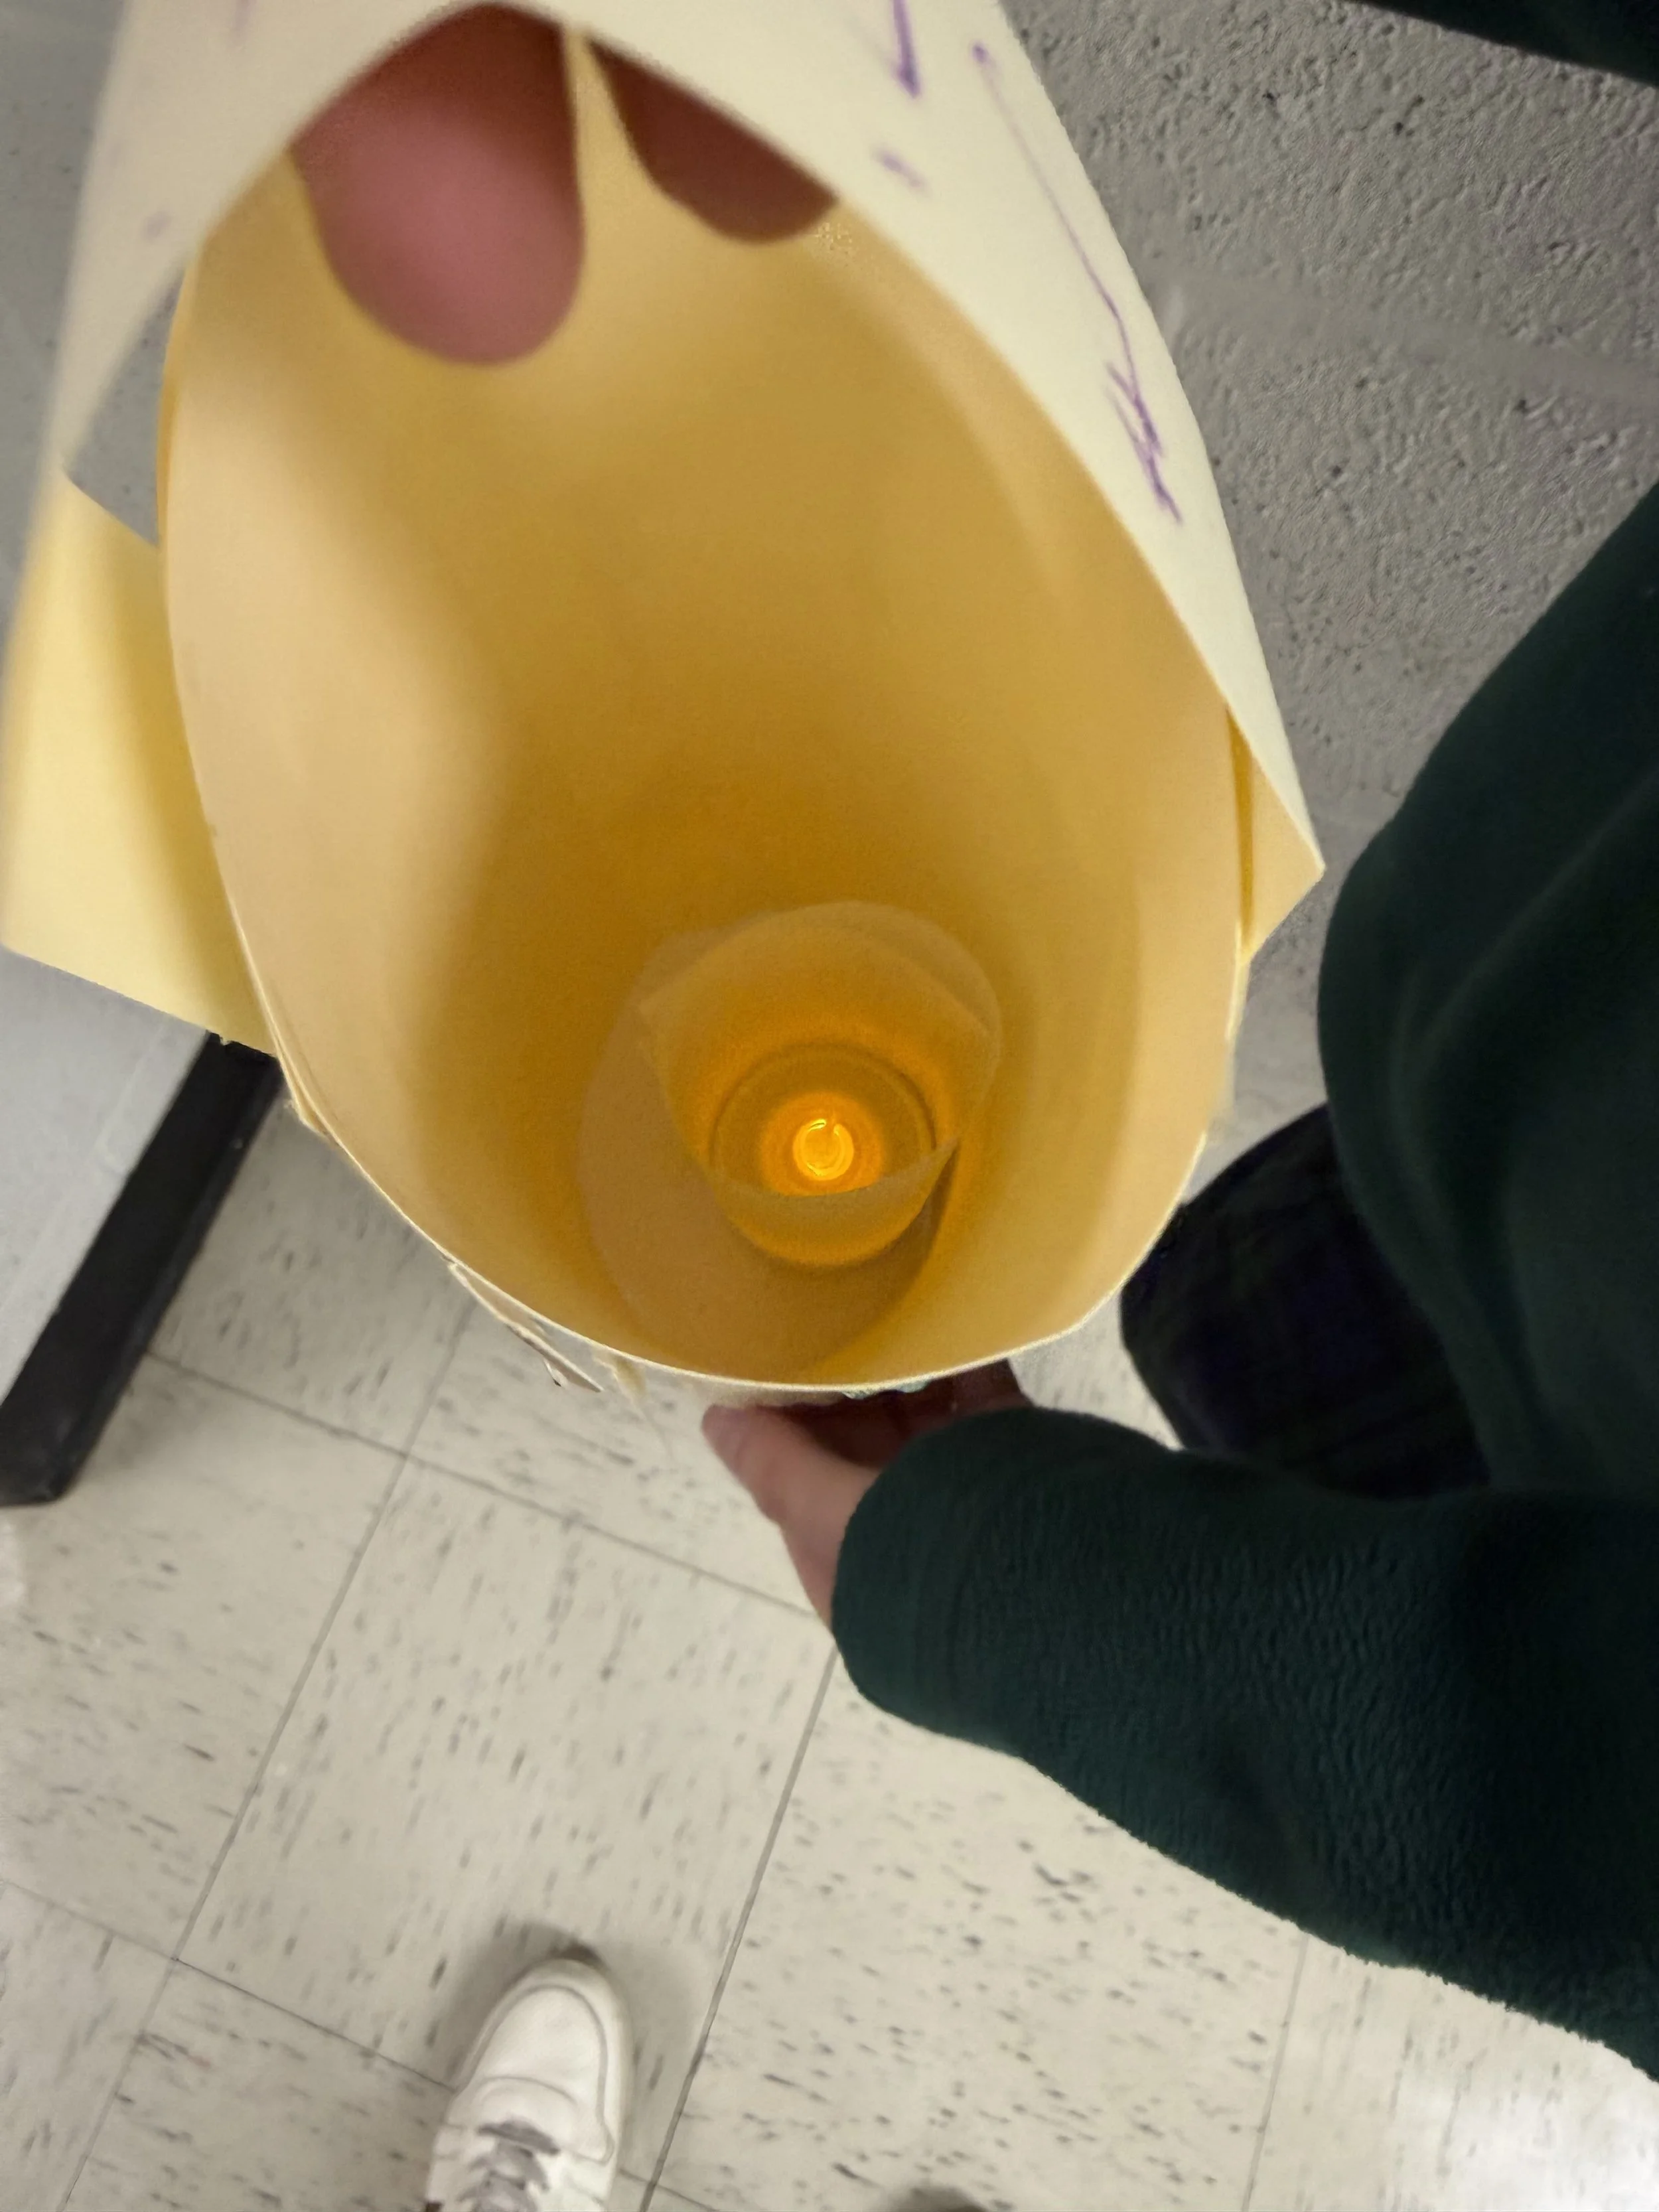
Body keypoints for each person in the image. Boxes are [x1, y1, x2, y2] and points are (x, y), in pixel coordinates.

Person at [287, 9, 1659, 2197]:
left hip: (1550, 1419)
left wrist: (1016, 1597)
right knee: (1256, 1323)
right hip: (1483, 1119)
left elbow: (1582, 1816)